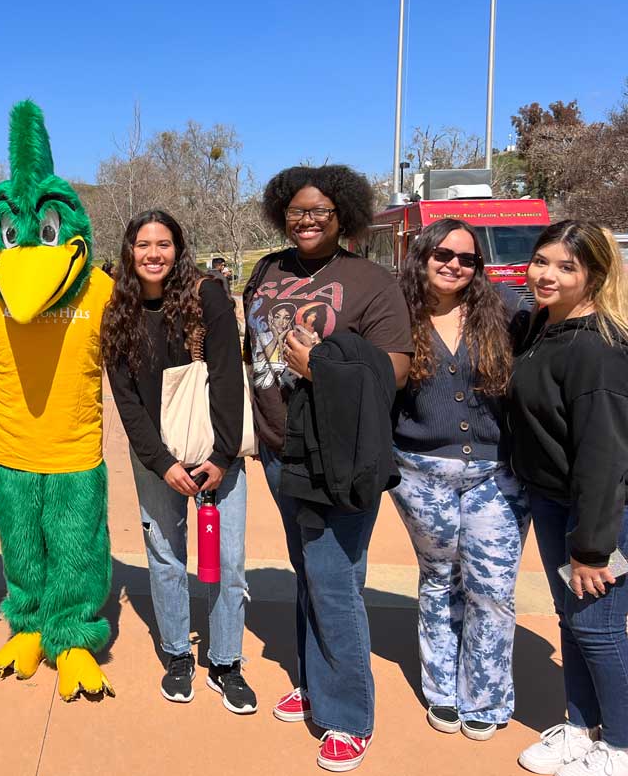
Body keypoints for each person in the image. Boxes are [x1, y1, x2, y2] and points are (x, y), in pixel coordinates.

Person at [242, 165, 411, 772]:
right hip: (278, 448)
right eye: (295, 210)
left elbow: (394, 370)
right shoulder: (266, 271)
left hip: (339, 455)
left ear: (344, 216)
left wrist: (322, 369)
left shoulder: (371, 281)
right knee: (308, 570)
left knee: (335, 579)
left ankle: (347, 715)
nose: (306, 219)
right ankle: (315, 681)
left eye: (320, 211)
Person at [103, 210, 253, 712]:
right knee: (166, 556)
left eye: (163, 244)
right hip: (156, 457)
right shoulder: (117, 312)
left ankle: (226, 660)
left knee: (227, 560)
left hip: (216, 450)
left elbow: (230, 376)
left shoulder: (204, 295)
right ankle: (176, 655)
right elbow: (125, 399)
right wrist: (161, 461)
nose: (153, 254)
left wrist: (222, 456)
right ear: (128, 251)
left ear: (178, 248)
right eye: (143, 244)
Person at [390, 218, 530, 740]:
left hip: (497, 474)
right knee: (440, 581)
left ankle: (487, 698)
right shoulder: (397, 316)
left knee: (492, 588)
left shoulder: (506, 312)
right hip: (420, 474)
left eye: (467, 258)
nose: (453, 264)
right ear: (422, 255)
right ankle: (442, 691)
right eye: (442, 254)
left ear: (478, 267)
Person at [509, 221, 628, 776]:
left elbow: (605, 458)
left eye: (566, 267)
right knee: (573, 622)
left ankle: (622, 746)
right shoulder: (541, 327)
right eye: (540, 260)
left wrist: (592, 549)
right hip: (552, 500)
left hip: (594, 513)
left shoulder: (599, 350)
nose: (546, 275)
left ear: (595, 276)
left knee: (600, 630)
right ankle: (583, 727)